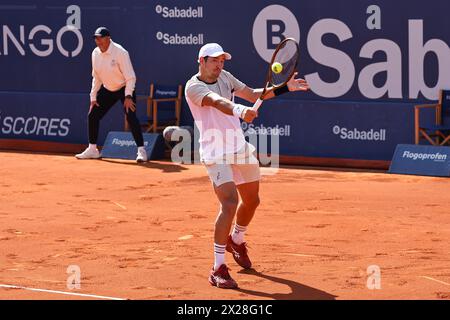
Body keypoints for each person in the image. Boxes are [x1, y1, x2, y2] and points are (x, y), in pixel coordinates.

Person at [184, 43, 310, 289]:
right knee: (229, 203)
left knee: (252, 201)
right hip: (215, 151)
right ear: (202, 61)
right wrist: (241, 111)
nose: (220, 65)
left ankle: (236, 239)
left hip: (238, 147)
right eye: (215, 61)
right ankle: (218, 267)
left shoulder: (225, 76)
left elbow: (254, 94)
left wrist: (285, 87)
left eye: (222, 61)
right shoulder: (194, 87)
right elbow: (217, 102)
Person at [75, 27, 147, 162]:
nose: (98, 41)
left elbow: (131, 77)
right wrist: (93, 97)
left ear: (108, 39)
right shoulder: (95, 53)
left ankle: (141, 151)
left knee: (131, 116)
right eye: (96, 38)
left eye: (100, 38)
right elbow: (96, 77)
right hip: (107, 88)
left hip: (124, 88)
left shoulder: (120, 52)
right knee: (93, 115)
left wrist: (128, 96)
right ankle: (93, 149)